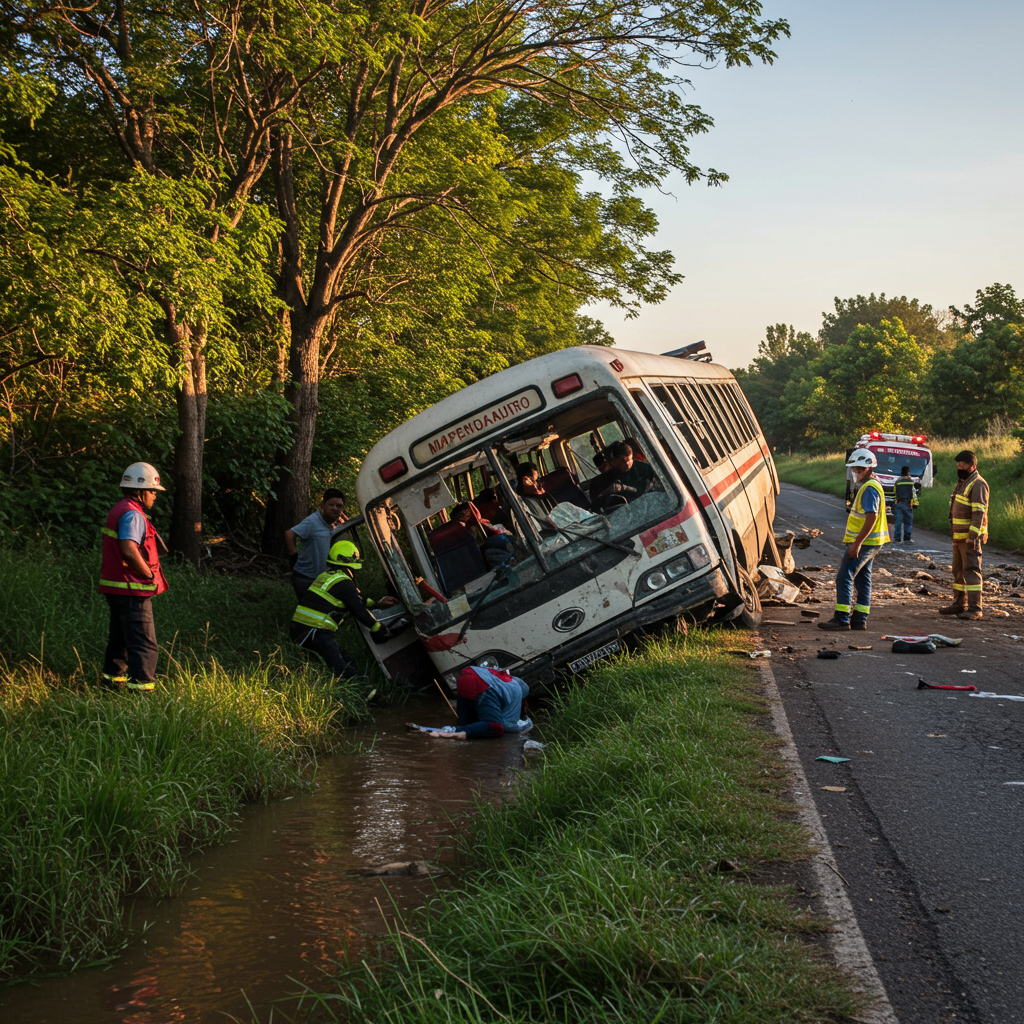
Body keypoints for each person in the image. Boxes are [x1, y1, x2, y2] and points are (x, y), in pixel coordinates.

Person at [97, 462, 170, 692]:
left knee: (120, 639)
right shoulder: (133, 514)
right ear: (140, 491)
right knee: (143, 644)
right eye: (153, 491)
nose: (155, 496)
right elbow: (128, 549)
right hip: (132, 588)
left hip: (117, 587)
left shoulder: (120, 508)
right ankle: (142, 693)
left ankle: (111, 685)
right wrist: (148, 574)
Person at [290, 538, 406, 679]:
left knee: (348, 661)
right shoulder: (344, 582)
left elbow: (353, 600)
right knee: (343, 670)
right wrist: (379, 628)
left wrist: (377, 603)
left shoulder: (328, 577)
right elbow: (358, 609)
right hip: (316, 631)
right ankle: (367, 690)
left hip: (301, 630)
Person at [819, 449, 889, 631]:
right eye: (854, 469)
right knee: (863, 579)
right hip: (872, 542)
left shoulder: (869, 488)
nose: (856, 472)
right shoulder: (872, 484)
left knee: (844, 577)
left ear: (868, 468)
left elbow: (871, 517)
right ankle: (859, 619)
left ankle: (842, 619)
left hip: (865, 543)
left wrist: (856, 544)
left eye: (859, 469)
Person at [939, 450, 989, 620]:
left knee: (971, 571)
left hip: (969, 539)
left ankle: (975, 609)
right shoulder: (963, 482)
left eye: (963, 465)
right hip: (958, 537)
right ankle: (959, 603)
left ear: (972, 466)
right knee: (958, 572)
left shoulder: (978, 484)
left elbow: (978, 513)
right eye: (958, 465)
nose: (959, 468)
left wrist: (972, 537)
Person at [426, 666, 532, 739]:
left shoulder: (504, 679)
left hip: (465, 675)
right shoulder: (517, 692)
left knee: (468, 724)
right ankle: (454, 731)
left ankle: (451, 730)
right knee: (496, 727)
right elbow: (508, 726)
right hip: (481, 684)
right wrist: (527, 724)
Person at [284, 489, 346, 598]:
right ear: (322, 505)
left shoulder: (333, 524)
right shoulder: (313, 521)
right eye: (331, 505)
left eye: (339, 506)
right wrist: (293, 557)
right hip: (306, 578)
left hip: (322, 579)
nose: (335, 508)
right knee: (311, 607)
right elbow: (289, 534)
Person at [593, 440, 659, 507]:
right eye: (623, 461)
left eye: (629, 460)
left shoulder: (644, 468)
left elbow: (659, 483)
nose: (627, 464)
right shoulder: (603, 482)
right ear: (613, 461)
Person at [892, 465, 917, 543]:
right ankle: (907, 538)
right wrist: (915, 503)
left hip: (898, 503)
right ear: (908, 473)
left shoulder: (897, 482)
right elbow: (914, 494)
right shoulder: (911, 482)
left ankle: (897, 539)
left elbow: (894, 493)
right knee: (908, 522)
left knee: (898, 522)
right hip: (908, 504)